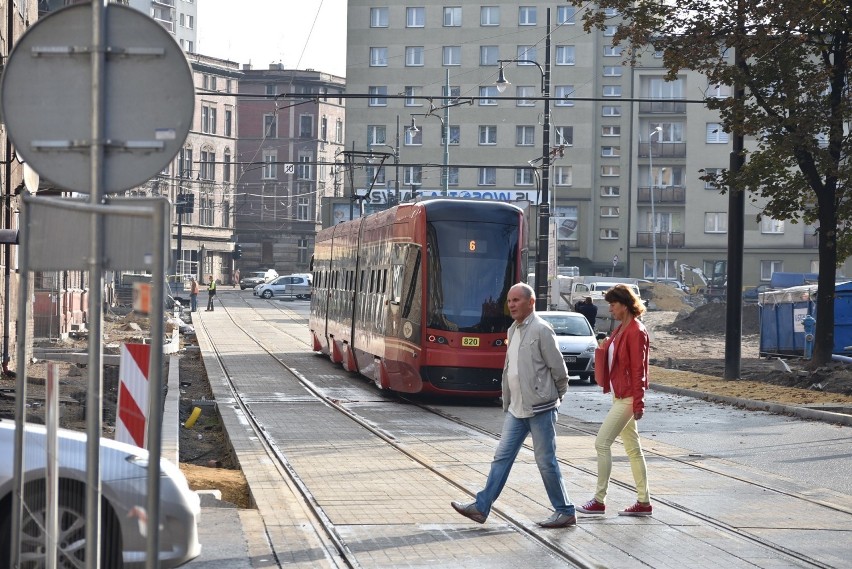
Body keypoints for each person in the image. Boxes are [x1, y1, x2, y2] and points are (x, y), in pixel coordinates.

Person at [451, 283, 576, 528]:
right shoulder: (512, 330)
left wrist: (552, 398)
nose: (512, 305)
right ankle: (481, 507)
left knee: (545, 461)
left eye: (517, 300)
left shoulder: (542, 329)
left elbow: (560, 371)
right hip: (516, 410)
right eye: (509, 301)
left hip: (540, 409)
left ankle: (565, 510)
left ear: (531, 303)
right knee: (501, 458)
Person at [576, 284, 652, 517]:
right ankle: (644, 502)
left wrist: (638, 403)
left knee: (602, 443)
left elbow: (639, 370)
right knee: (633, 448)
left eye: (613, 304)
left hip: (627, 398)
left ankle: (599, 500)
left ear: (625, 305)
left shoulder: (635, 332)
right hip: (620, 395)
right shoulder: (621, 329)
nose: (610, 309)